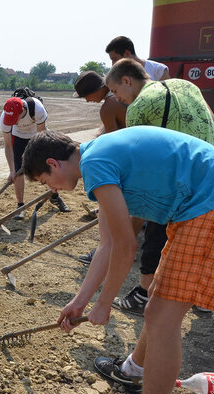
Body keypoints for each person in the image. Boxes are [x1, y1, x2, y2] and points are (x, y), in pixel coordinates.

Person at [23, 127, 214, 394]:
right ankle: (134, 370)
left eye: (46, 181)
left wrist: (103, 304)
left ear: (53, 163)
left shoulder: (96, 164)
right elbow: (107, 245)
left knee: (163, 319)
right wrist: (80, 301)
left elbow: (126, 246)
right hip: (206, 206)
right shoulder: (97, 158)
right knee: (156, 309)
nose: (51, 188)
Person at [102, 58, 214, 316]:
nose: (117, 98)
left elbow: (143, 166)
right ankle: (201, 300)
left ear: (127, 80)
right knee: (205, 243)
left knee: (156, 232)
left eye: (115, 91)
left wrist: (126, 221)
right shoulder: (187, 86)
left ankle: (144, 293)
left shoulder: (138, 108)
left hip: (184, 184)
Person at [72, 70, 127, 264]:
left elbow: (113, 143)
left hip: (126, 162)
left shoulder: (108, 106)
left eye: (86, 96)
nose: (87, 101)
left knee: (112, 209)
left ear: (97, 90)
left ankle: (105, 251)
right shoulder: (118, 97)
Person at [0, 96, 70, 217]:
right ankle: (20, 206)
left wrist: (34, 158)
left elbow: (41, 137)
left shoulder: (37, 108)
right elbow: (8, 146)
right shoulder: (4, 117)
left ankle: (54, 196)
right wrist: (12, 170)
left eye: (14, 119)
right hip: (18, 138)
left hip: (37, 135)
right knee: (18, 172)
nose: (12, 122)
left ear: (22, 111)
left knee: (47, 167)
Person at [73, 71, 126, 135]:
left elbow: (113, 141)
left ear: (96, 89)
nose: (87, 100)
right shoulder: (122, 90)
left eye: (86, 96)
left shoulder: (107, 108)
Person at [105, 36, 170, 81]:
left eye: (115, 59)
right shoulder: (119, 76)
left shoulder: (158, 70)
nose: (113, 64)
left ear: (127, 53)